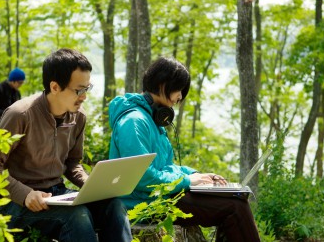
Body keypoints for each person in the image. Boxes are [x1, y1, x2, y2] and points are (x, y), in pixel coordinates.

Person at [0, 48, 132, 242]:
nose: (84, 96)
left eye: (87, 88)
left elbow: (73, 163)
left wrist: (91, 186)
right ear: (55, 87)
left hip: (55, 195)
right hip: (13, 203)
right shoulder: (20, 115)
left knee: (114, 206)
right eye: (79, 90)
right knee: (78, 215)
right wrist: (25, 194)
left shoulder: (79, 116)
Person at [108, 56, 261, 242]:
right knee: (234, 208)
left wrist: (198, 175)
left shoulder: (154, 119)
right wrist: (188, 180)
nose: (180, 97)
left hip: (160, 196)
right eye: (179, 90)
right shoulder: (134, 122)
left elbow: (166, 166)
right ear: (163, 83)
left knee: (236, 201)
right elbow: (142, 178)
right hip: (143, 202)